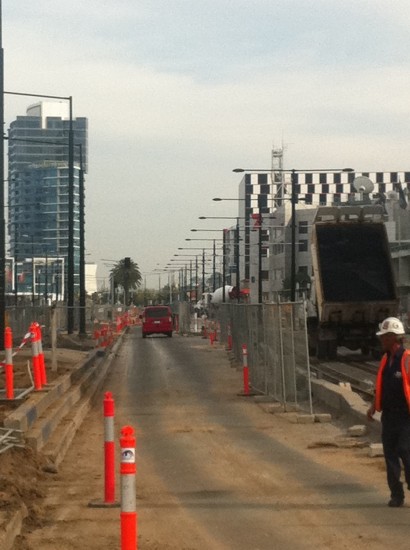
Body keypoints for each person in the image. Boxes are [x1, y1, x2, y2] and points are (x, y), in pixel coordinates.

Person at [367, 317, 410, 507]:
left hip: (406, 417)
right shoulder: (386, 360)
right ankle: (396, 495)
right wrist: (372, 406)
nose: (381, 340)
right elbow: (381, 386)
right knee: (390, 454)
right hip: (389, 416)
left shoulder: (407, 359)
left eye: (384, 337)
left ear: (394, 337)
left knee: (406, 452)